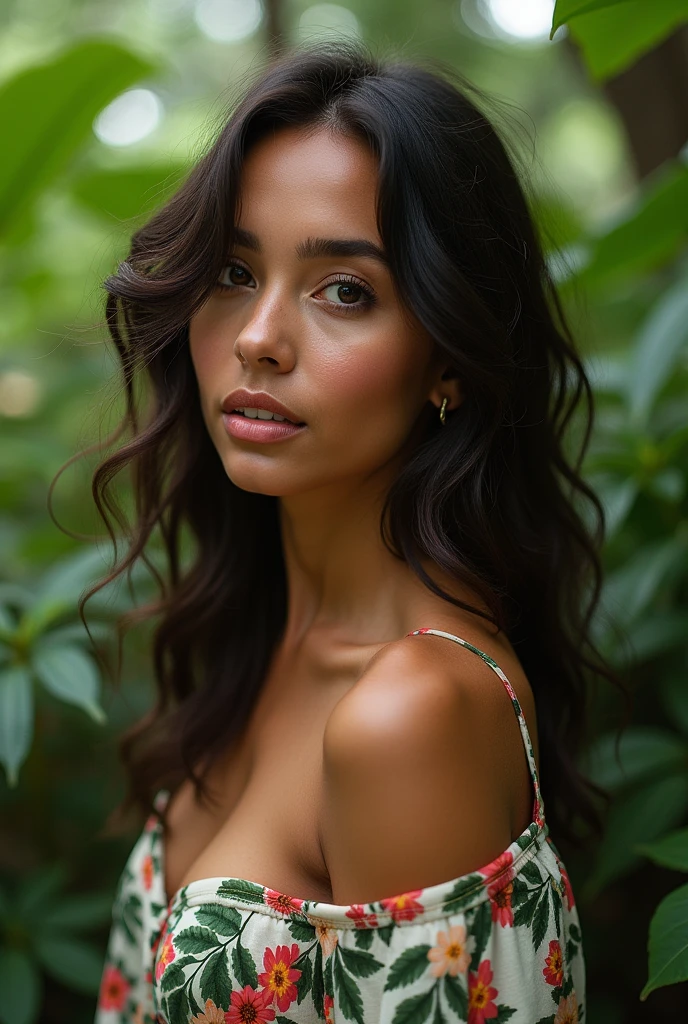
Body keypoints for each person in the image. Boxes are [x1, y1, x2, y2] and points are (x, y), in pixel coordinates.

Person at [90, 37, 612, 1024]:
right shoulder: (263, 642)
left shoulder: (413, 714)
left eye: (345, 291)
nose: (257, 336)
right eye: (234, 271)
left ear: (448, 359)